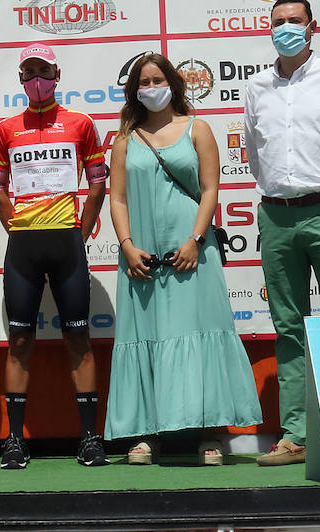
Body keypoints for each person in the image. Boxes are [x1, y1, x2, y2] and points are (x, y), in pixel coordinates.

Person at [105, 53, 262, 465]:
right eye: (143, 82)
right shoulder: (124, 139)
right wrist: (126, 246)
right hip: (141, 261)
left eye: (157, 80)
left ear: (173, 85)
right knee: (148, 337)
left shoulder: (198, 128)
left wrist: (195, 239)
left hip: (193, 255)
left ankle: (209, 434)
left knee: (201, 334)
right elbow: (117, 199)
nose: (151, 88)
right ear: (133, 91)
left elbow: (210, 190)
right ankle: (146, 435)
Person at [242, 0, 320, 467]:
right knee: (288, 327)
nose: (286, 28)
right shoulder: (256, 86)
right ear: (269, 28)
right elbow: (255, 155)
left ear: (312, 27)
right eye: (278, 22)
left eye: (295, 21)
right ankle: (296, 434)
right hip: (276, 214)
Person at [0, 43, 109, 469]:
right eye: (29, 72)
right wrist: (16, 227)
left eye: (44, 71)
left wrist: (81, 230)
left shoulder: (81, 123)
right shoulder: (6, 129)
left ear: (57, 76)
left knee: (78, 338)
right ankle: (14, 439)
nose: (36, 78)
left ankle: (90, 437)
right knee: (20, 341)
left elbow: (97, 182)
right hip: (24, 246)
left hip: (66, 244)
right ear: (21, 79)